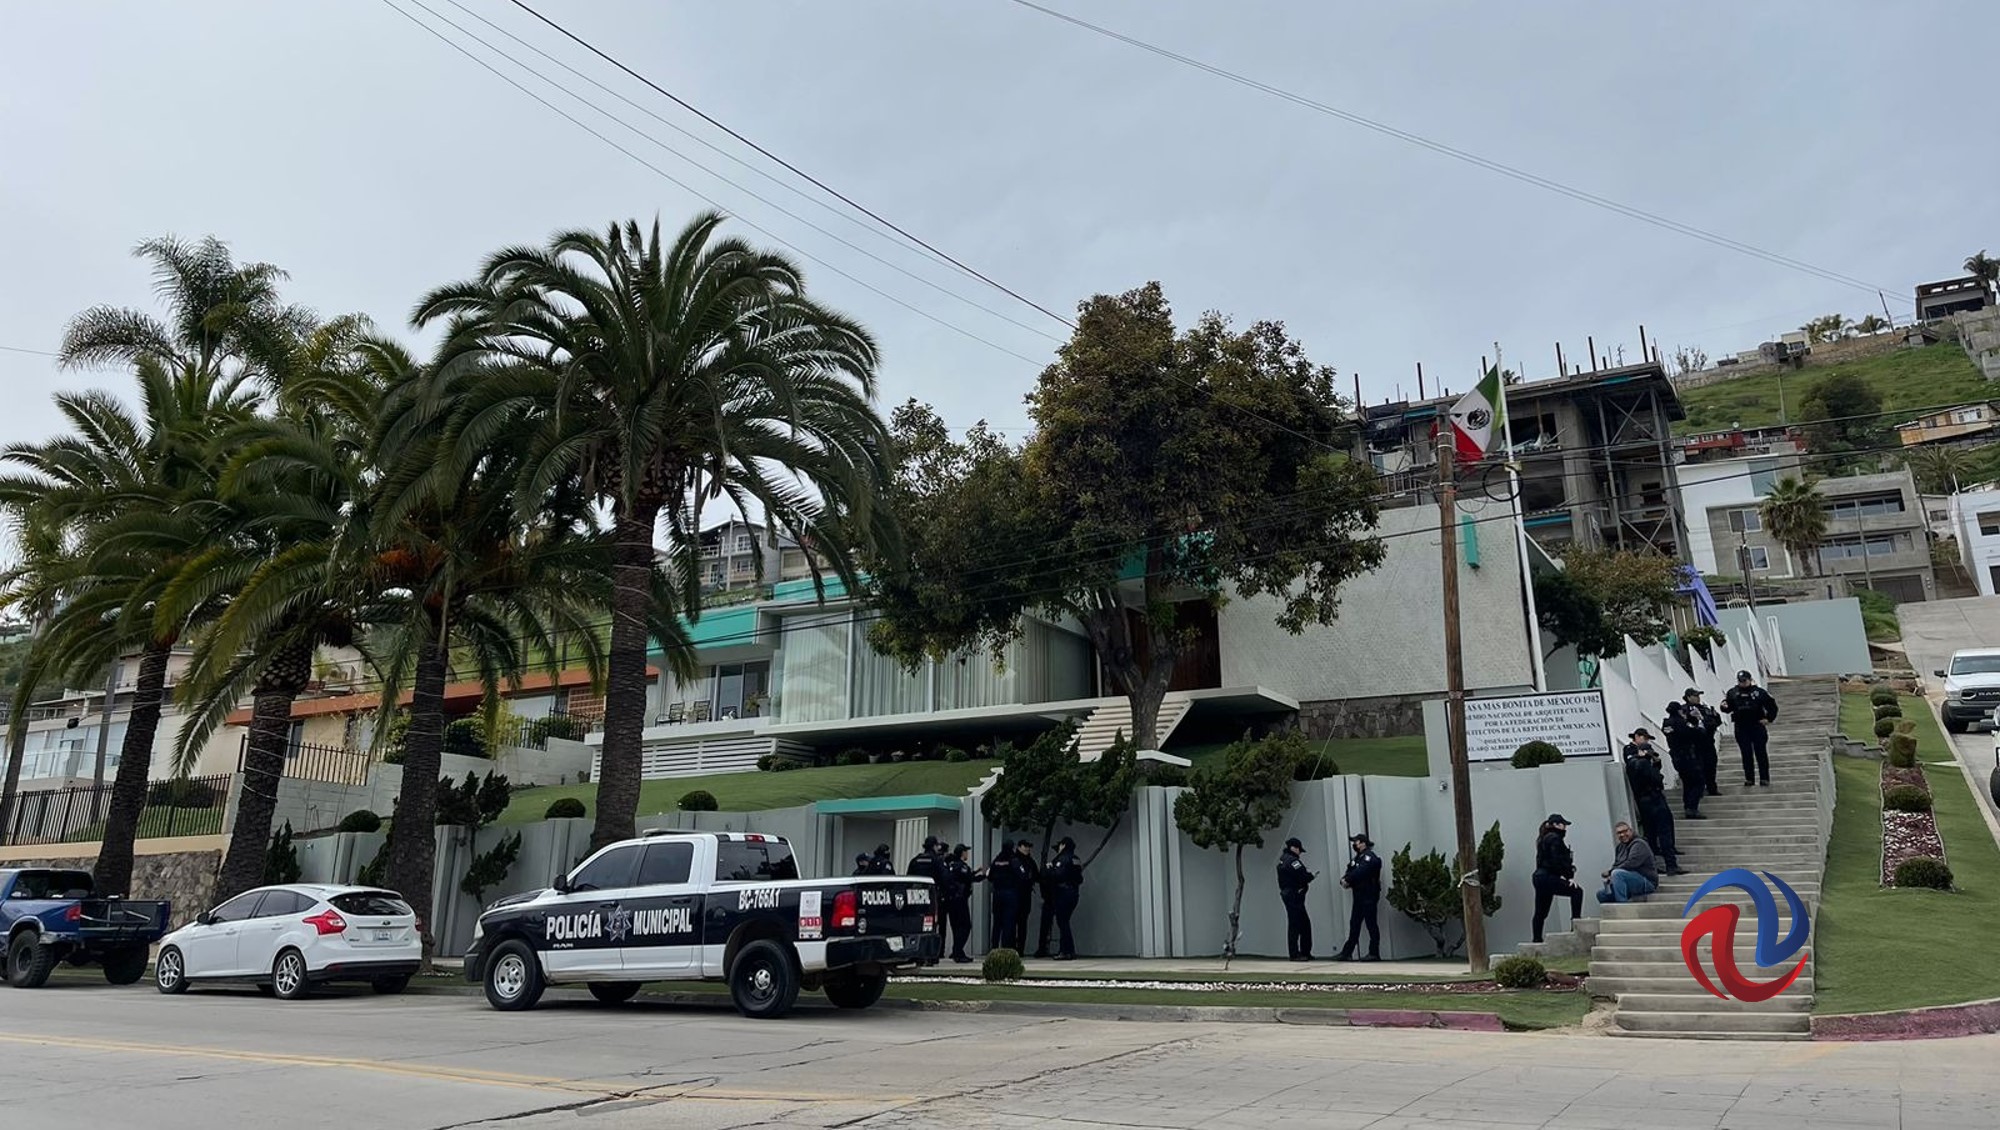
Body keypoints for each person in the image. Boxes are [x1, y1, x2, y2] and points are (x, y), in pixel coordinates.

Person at [1623, 728, 1683, 875]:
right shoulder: (1643, 763)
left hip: (1643, 801)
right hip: (1654, 799)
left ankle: (1652, 864)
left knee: (1650, 834)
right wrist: (1654, 766)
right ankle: (1671, 864)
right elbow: (1657, 779)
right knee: (1664, 831)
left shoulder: (1632, 764)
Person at [1530, 814, 1584, 944]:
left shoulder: (1543, 838)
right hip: (1548, 876)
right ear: (1556, 825)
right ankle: (1576, 927)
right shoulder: (1555, 839)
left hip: (1539, 877)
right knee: (1577, 892)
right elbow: (1557, 860)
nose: (1565, 828)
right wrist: (1568, 876)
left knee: (1540, 911)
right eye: (1563, 825)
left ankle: (1537, 939)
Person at [1722, 670, 1780, 788]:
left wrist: (1769, 719)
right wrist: (1723, 707)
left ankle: (1764, 778)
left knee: (1761, 752)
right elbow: (1727, 708)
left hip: (1756, 725)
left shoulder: (1759, 692)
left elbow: (1772, 706)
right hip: (1741, 726)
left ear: (1750, 680)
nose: (1743, 683)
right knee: (1746, 753)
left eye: (1745, 681)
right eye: (1740, 681)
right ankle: (1749, 778)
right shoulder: (1733, 693)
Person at [1334, 833, 1383, 962]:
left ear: (1363, 843)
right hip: (1359, 896)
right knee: (1354, 924)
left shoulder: (1369, 857)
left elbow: (1361, 872)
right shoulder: (1357, 858)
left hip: (1369, 895)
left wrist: (1348, 879)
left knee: (1371, 924)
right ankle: (1347, 953)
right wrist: (1345, 880)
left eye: (1356, 842)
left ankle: (1374, 953)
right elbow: (1350, 870)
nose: (1354, 844)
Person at [1660, 701, 1708, 819]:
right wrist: (1699, 720)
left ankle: (1688, 807)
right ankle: (1692, 807)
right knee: (1698, 782)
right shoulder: (1680, 722)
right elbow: (1696, 733)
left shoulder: (1667, 723)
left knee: (1687, 782)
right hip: (1687, 756)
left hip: (1676, 756)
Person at [939, 844, 984, 962]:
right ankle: (958, 952)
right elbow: (969, 878)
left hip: (949, 901)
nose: (967, 854)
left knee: (956, 927)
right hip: (959, 900)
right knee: (965, 926)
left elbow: (963, 877)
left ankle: (957, 951)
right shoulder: (962, 866)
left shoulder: (950, 865)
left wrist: (976, 872)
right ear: (962, 853)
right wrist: (984, 876)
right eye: (966, 851)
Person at [1595, 821, 1659, 904]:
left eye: (1625, 831)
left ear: (1631, 831)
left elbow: (1631, 863)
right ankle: (1614, 911)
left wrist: (1611, 872)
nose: (1622, 834)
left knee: (1617, 874)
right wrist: (1610, 877)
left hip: (1646, 882)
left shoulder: (1639, 844)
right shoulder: (1619, 847)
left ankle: (1623, 906)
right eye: (1619, 833)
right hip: (1626, 882)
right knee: (1602, 894)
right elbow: (1616, 865)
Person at [1043, 836, 1084, 960]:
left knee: (1062, 922)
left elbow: (1058, 875)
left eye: (1060, 845)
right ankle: (1068, 950)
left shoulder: (1062, 859)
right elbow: (1080, 878)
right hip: (1073, 893)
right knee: (1064, 922)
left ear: (1064, 845)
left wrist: (1049, 869)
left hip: (1063, 893)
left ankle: (1066, 951)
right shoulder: (1076, 859)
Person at [1275, 837, 1316, 962]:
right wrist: (1310, 876)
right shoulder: (1293, 861)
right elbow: (1303, 875)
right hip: (1294, 895)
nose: (1299, 853)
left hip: (1288, 894)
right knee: (1298, 924)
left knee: (1300, 923)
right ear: (1294, 848)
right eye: (1299, 850)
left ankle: (1303, 952)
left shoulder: (1283, 859)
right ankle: (1296, 953)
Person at [1683, 687, 1724, 799]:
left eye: (1698, 696)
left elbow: (1715, 721)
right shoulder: (1683, 710)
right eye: (1695, 696)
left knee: (1711, 766)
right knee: (1697, 768)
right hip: (1694, 745)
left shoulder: (1705, 709)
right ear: (1688, 697)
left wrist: (1703, 719)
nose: (1698, 698)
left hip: (1708, 743)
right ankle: (1699, 789)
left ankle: (1712, 788)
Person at [987, 844, 1023, 950]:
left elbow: (990, 876)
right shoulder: (1014, 860)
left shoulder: (996, 860)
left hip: (997, 894)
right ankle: (1006, 948)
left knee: (997, 922)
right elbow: (1022, 875)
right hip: (1010, 894)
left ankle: (994, 947)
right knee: (1009, 922)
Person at [1013, 840, 1041, 956]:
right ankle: (1012, 948)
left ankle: (1020, 949)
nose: (1027, 849)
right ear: (1019, 847)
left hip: (1025, 895)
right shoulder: (1014, 860)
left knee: (1022, 923)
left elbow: (1037, 876)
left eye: (1029, 847)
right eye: (1025, 846)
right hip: (1014, 895)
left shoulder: (1030, 861)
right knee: (1012, 922)